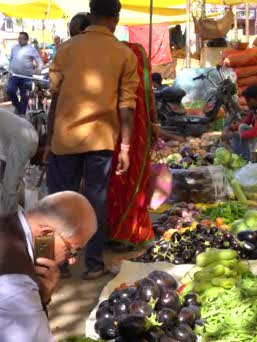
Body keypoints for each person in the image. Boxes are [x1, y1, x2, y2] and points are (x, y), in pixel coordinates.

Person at [46, 0, 138, 280]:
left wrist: (49, 140)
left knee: (55, 203)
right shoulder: (124, 54)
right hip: (101, 140)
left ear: (90, 14)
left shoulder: (66, 49)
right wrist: (125, 147)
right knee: (95, 201)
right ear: (116, 18)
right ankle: (94, 264)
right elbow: (127, 107)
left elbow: (55, 98)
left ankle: (51, 264)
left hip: (64, 138)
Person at [0, 191, 97, 342]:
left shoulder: (8, 223)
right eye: (72, 250)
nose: (72, 261)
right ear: (47, 233)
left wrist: (42, 295)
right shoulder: (18, 286)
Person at [106, 42, 160, 247]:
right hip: (130, 131)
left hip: (111, 131)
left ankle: (114, 232)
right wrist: (153, 122)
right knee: (121, 181)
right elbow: (145, 95)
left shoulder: (82, 52)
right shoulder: (135, 53)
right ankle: (123, 232)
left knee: (108, 183)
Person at [0, 108, 39, 216]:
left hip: (22, 139)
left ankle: (8, 221)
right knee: (10, 182)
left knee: (10, 186)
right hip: (26, 132)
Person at [229, 85, 257, 161]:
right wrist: (232, 127)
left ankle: (247, 158)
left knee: (242, 134)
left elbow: (256, 132)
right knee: (242, 127)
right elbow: (245, 122)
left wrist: (238, 135)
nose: (247, 103)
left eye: (248, 100)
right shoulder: (254, 110)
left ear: (256, 99)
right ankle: (243, 155)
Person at [7, 31, 43, 116]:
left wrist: (39, 69)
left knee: (24, 96)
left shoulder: (31, 49)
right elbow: (11, 59)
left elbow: (39, 61)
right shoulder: (14, 48)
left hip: (26, 76)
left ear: (26, 39)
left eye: (22, 38)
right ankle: (18, 107)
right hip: (14, 75)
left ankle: (22, 114)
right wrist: (9, 70)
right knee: (10, 90)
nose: (20, 40)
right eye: (19, 38)